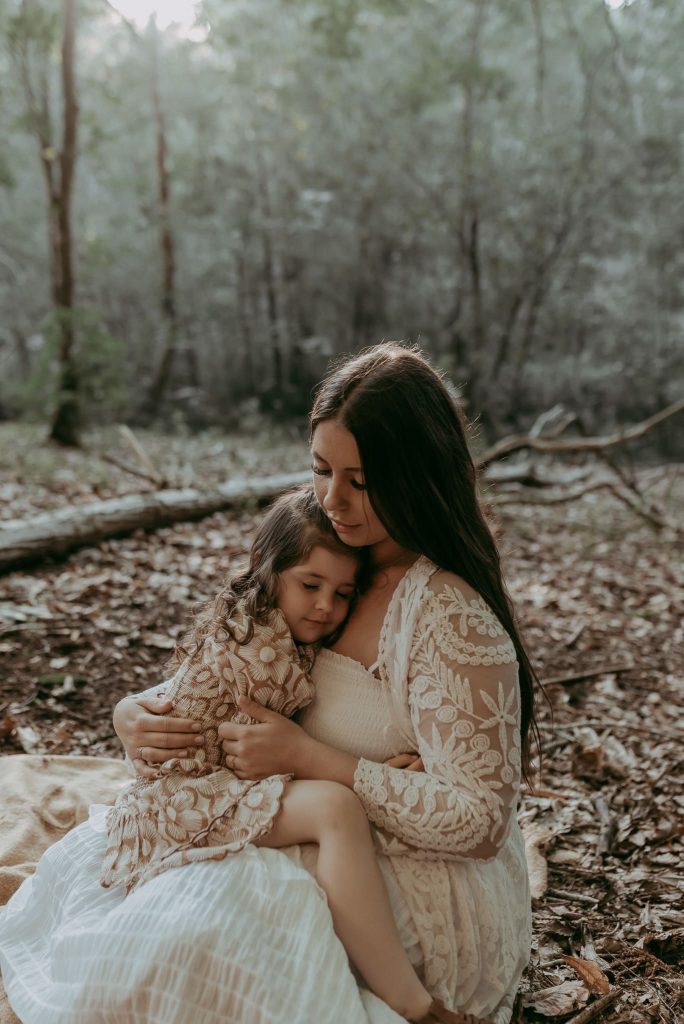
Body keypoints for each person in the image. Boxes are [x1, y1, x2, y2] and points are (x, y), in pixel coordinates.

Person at [0, 342, 535, 1024]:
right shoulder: (328, 559)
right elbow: (224, 669)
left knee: (198, 943)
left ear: (417, 474)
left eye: (361, 481)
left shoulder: (448, 615)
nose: (334, 499)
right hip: (288, 815)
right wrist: (131, 713)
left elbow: (482, 821)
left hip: (397, 882)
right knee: (127, 923)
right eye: (321, 470)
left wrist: (314, 760)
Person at [99, 486, 457, 1023]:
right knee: (336, 811)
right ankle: (411, 1003)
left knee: (335, 805)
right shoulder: (261, 651)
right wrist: (379, 774)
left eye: (342, 593)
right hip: (191, 792)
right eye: (309, 584)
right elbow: (259, 756)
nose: (325, 607)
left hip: (199, 782)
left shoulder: (258, 621)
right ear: (269, 572)